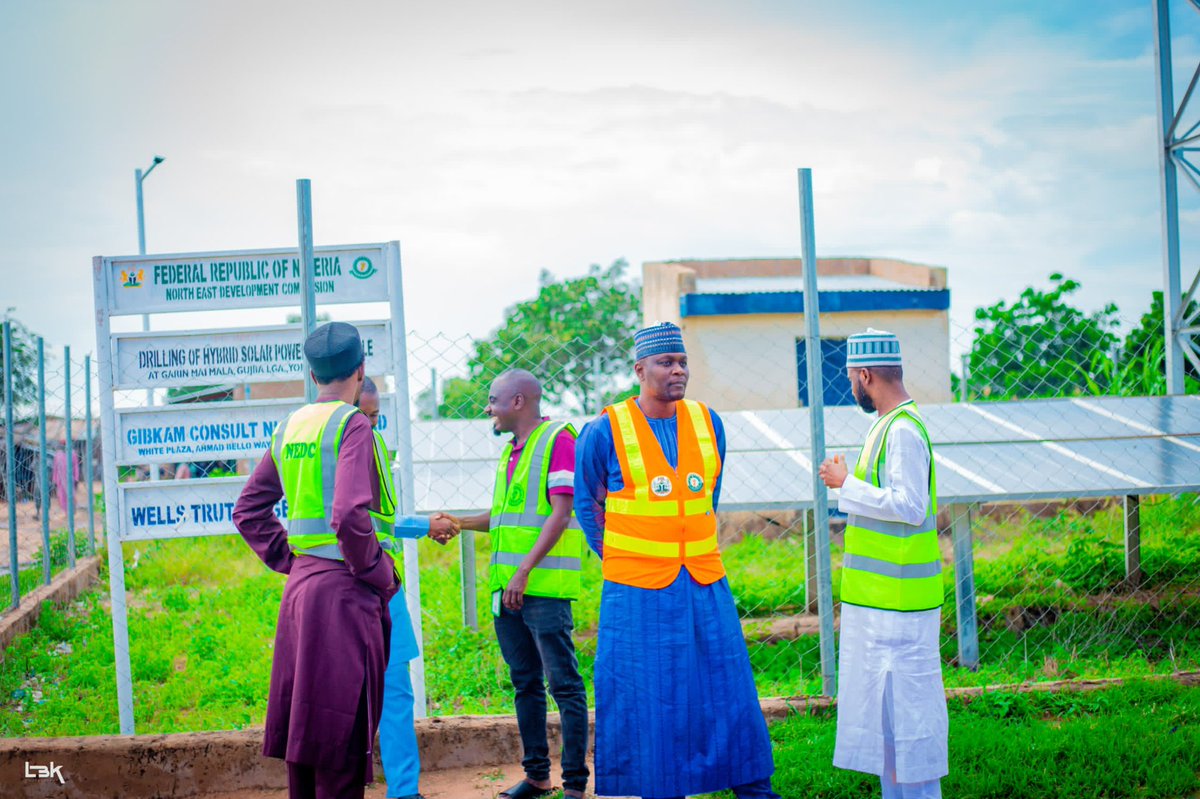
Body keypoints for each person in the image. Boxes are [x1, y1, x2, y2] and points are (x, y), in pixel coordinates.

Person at [574, 322, 780, 799]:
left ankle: (754, 789)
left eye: (683, 362)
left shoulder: (709, 422)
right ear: (640, 369)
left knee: (728, 691)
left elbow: (710, 496)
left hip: (705, 582)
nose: (678, 370)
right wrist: (624, 556)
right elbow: (588, 505)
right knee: (649, 698)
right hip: (636, 592)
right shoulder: (605, 428)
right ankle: (662, 789)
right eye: (667, 362)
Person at [232, 321, 398, 799]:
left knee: (306, 735)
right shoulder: (352, 424)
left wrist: (296, 560)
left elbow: (248, 511)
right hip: (345, 594)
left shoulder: (291, 425)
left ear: (311, 373)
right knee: (341, 737)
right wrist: (378, 573)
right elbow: (348, 514)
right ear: (360, 370)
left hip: (302, 593)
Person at [818, 329, 949, 799]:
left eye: (853, 377)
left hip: (902, 610)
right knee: (889, 727)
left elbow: (911, 506)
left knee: (910, 723)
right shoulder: (887, 425)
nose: (852, 386)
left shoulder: (904, 431)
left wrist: (845, 484)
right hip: (882, 607)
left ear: (866, 375)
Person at [455, 369, 589, 799]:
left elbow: (560, 513)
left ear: (517, 402)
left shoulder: (558, 440)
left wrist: (524, 571)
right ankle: (536, 776)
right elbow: (504, 520)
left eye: (492, 400)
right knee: (525, 683)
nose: (487, 408)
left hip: (542, 588)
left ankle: (574, 784)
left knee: (563, 685)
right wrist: (455, 522)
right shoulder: (512, 452)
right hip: (508, 591)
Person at [358, 376, 459, 799]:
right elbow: (355, 521)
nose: (368, 424)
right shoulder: (332, 450)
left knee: (396, 689)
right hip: (345, 585)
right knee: (346, 697)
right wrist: (425, 526)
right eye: (360, 416)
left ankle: (404, 791)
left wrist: (422, 526)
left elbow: (380, 520)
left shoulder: (376, 446)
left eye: (375, 416)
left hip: (383, 579)